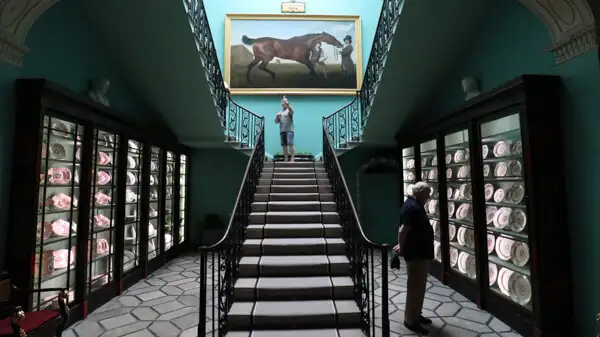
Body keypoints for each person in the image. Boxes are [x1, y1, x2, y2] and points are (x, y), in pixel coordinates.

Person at [394, 181, 434, 335]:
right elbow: (403, 231)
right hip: (416, 253)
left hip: (418, 252)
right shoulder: (414, 208)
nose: (428, 197)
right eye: (427, 194)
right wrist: (401, 247)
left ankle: (416, 314)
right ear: (420, 193)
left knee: (418, 286)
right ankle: (411, 321)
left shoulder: (411, 204)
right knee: (416, 287)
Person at [274, 96, 295, 162]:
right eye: (282, 103)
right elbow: (276, 122)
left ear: (286, 104)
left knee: (290, 144)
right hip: (282, 130)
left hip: (289, 130)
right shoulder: (279, 112)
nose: (283, 104)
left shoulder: (289, 111)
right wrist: (277, 117)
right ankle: (286, 158)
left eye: (284, 103)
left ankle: (292, 158)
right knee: (284, 145)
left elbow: (292, 111)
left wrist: (288, 104)